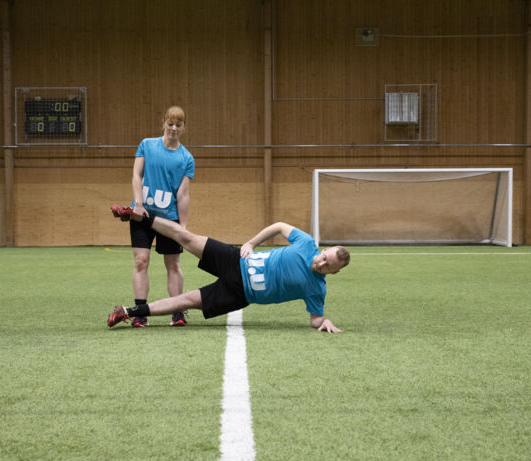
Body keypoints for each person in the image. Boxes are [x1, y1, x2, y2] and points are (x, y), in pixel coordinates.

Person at [108, 204, 351, 333]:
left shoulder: (317, 289)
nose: (320, 263)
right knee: (187, 237)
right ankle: (138, 216)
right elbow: (278, 225)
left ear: (334, 273)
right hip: (237, 260)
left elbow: (315, 318)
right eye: (324, 257)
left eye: (327, 266)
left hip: (239, 294)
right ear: (322, 250)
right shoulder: (306, 243)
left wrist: (324, 322)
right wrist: (252, 243)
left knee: (186, 300)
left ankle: (127, 312)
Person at [128, 106, 195, 327]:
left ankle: (177, 313)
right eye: (170, 124)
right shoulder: (147, 145)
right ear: (164, 123)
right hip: (141, 215)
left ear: (184, 127)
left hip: (169, 219)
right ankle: (139, 314)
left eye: (178, 124)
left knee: (173, 264)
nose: (174, 128)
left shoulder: (187, 158)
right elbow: (137, 176)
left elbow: (182, 194)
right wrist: (137, 203)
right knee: (141, 261)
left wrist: (182, 226)